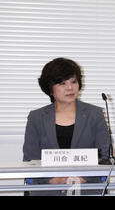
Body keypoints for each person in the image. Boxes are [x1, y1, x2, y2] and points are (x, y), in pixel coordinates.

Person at [23, 57, 110, 195]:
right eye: (62, 83)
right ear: (50, 89)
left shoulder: (95, 114)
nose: (70, 87)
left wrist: (81, 179)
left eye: (73, 82)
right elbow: (29, 159)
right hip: (47, 190)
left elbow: (105, 156)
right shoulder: (36, 118)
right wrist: (55, 180)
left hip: (87, 188)